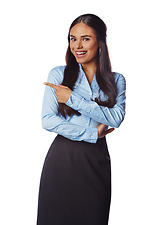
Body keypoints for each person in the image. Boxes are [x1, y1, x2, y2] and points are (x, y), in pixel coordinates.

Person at [37, 14, 126, 225]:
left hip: (95, 161)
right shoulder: (58, 75)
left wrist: (72, 99)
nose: (77, 45)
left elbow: (116, 118)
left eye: (85, 38)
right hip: (61, 159)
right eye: (72, 38)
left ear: (100, 42)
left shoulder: (116, 80)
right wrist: (92, 133)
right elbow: (48, 120)